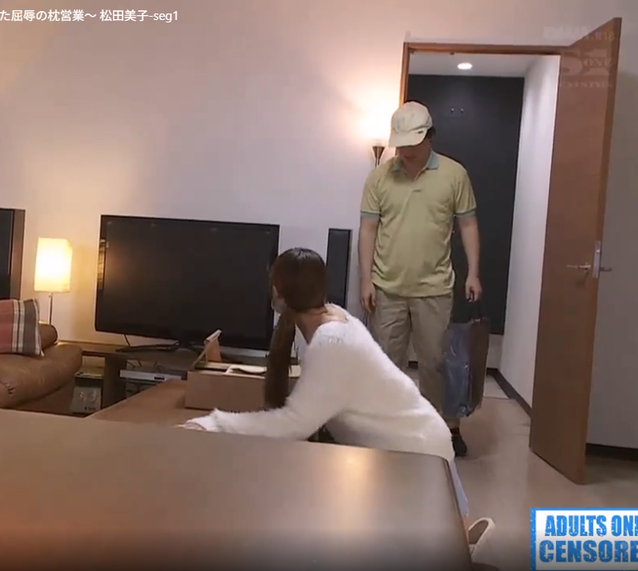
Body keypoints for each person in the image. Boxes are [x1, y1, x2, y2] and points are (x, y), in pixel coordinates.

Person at [180, 247, 478, 534]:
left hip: (415, 453)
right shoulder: (335, 318)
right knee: (455, 537)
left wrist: (214, 423)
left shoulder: (331, 342)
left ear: (278, 293)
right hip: (421, 439)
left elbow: (294, 424)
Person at [358, 101, 481, 457]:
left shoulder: (454, 174)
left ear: (429, 136)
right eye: (401, 145)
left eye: (413, 143)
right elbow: (368, 229)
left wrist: (473, 272)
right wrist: (366, 279)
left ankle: (446, 429)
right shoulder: (379, 177)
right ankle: (390, 427)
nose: (406, 151)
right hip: (387, 287)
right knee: (386, 362)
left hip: (434, 288)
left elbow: (468, 224)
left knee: (436, 364)